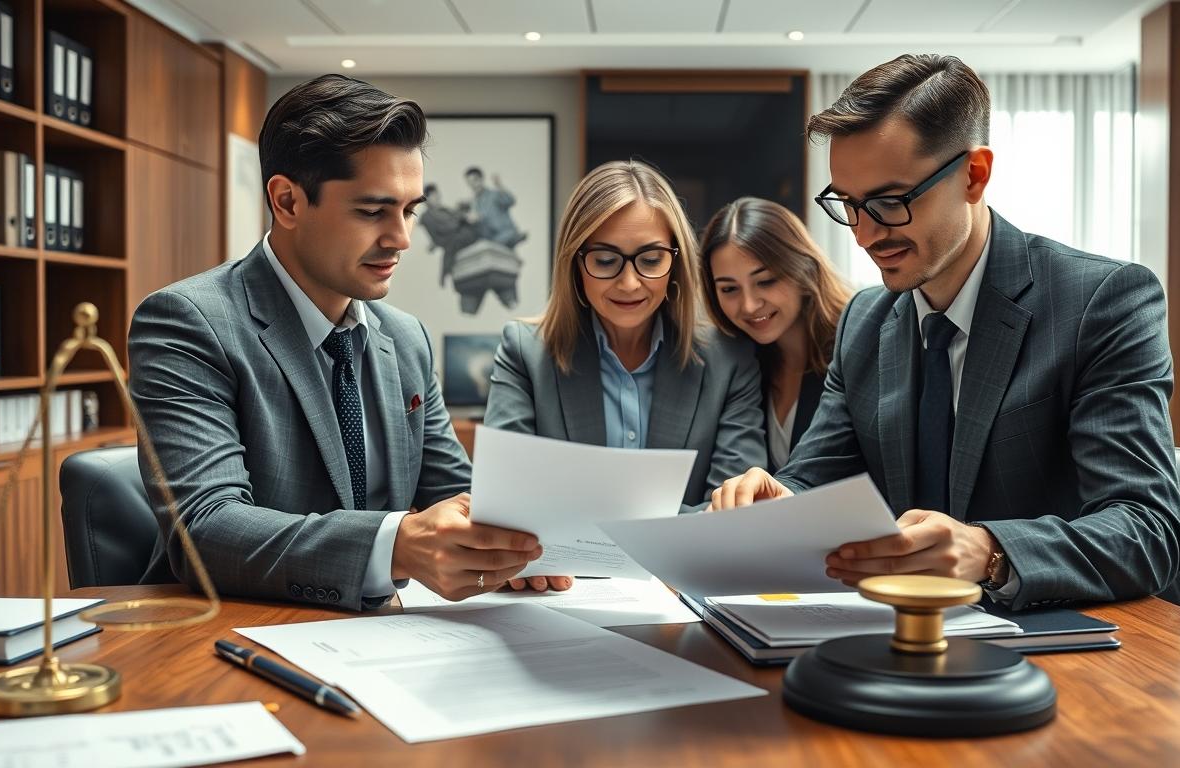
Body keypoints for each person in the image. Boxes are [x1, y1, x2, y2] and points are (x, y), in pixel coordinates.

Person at [711, 55, 1180, 611]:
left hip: (1063, 634)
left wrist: (990, 551)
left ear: (974, 175)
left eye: (889, 203)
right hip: (904, 628)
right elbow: (815, 477)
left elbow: (1147, 530)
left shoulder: (1102, 301)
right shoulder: (865, 321)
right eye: (849, 205)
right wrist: (779, 500)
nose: (865, 235)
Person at [129, 75, 544, 610]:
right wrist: (395, 546)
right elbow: (205, 530)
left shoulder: (406, 338)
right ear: (287, 202)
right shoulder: (187, 322)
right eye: (373, 212)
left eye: (409, 210)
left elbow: (452, 496)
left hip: (384, 634)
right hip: (235, 632)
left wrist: (508, 550)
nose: (402, 238)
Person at [484, 159, 766, 526]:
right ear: (575, 264)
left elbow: (734, 511)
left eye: (650, 260)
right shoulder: (524, 352)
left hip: (687, 563)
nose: (630, 283)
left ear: (676, 263)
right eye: (605, 261)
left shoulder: (729, 359)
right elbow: (509, 500)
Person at [699, 197, 852, 472]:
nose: (749, 305)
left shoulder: (854, 346)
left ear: (803, 268)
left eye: (765, 281)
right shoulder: (739, 364)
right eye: (729, 289)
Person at [464, 167, 527, 248]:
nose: (473, 185)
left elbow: (510, 201)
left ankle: (515, 237)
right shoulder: (474, 204)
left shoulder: (494, 194)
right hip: (491, 240)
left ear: (481, 179)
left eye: (475, 180)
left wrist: (499, 185)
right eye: (469, 183)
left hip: (505, 235)